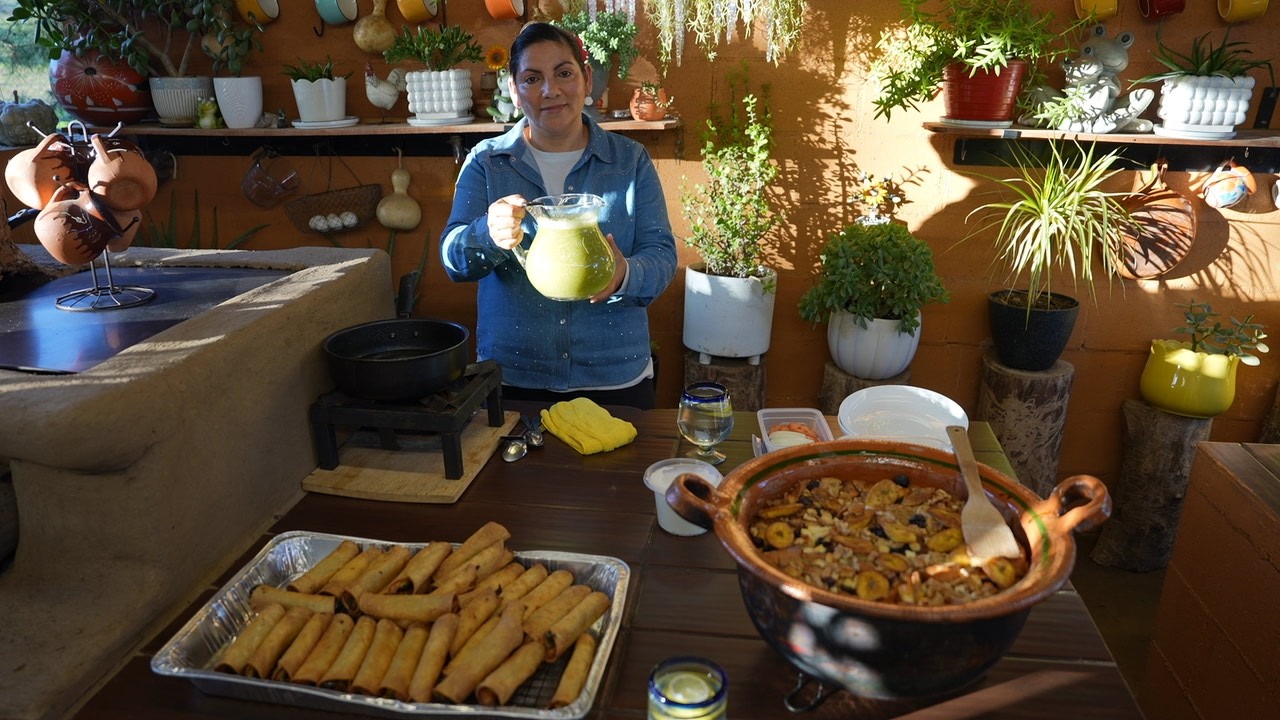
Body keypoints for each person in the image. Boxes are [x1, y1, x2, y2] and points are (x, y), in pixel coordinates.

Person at [441, 22, 677, 410]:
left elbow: (662, 254)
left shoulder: (629, 161)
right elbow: (452, 259)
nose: (550, 90)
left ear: (587, 79)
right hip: (514, 377)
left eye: (564, 73)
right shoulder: (486, 162)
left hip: (614, 376)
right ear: (514, 90)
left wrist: (624, 274)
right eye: (532, 78)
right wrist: (486, 234)